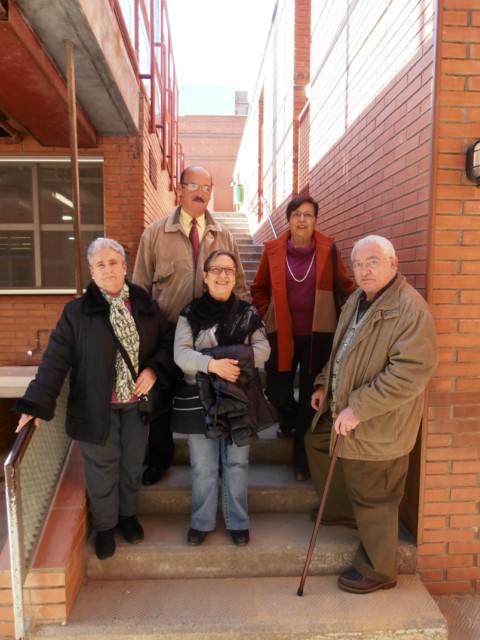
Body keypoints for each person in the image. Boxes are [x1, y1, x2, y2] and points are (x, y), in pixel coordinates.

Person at [15, 238, 175, 561]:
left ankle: (127, 516)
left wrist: (154, 370)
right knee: (102, 470)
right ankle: (105, 527)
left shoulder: (145, 306)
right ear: (91, 272)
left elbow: (167, 342)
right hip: (94, 407)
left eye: (113, 262)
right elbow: (55, 361)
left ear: (125, 267)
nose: (108, 269)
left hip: (137, 405)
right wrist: (34, 405)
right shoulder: (77, 313)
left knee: (132, 464)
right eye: (100, 264)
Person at [305, 235, 438, 594]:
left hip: (380, 424)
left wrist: (359, 408)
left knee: (374, 495)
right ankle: (342, 511)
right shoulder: (358, 299)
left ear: (393, 264)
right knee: (316, 442)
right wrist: (324, 384)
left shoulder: (410, 309)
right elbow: (341, 352)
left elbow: (410, 373)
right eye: (358, 264)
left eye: (373, 262)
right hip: (344, 408)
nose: (364, 270)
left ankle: (379, 571)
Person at [133, 165, 248, 486]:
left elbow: (240, 287)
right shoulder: (155, 234)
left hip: (215, 339)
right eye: (194, 186)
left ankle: (219, 458)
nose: (200, 193)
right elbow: (140, 288)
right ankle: (160, 459)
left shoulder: (224, 236)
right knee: (161, 400)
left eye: (207, 187)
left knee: (218, 398)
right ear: (180, 189)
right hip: (166, 334)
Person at [251, 196, 355, 481]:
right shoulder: (273, 250)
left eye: (308, 214)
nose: (302, 219)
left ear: (315, 220)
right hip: (282, 334)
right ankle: (289, 421)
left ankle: (301, 462)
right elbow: (258, 288)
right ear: (288, 218)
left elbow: (344, 285)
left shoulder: (328, 249)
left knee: (311, 398)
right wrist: (267, 313)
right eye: (296, 214)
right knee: (276, 392)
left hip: (318, 335)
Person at [173, 250, 271, 547]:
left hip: (240, 399)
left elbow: (264, 350)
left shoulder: (248, 313)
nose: (222, 275)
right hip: (202, 400)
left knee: (237, 463)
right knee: (203, 466)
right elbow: (181, 355)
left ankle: (237, 521)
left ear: (235, 276)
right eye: (216, 269)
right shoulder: (190, 314)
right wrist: (214, 365)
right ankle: (201, 522)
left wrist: (224, 360)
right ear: (205, 276)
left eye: (229, 270)